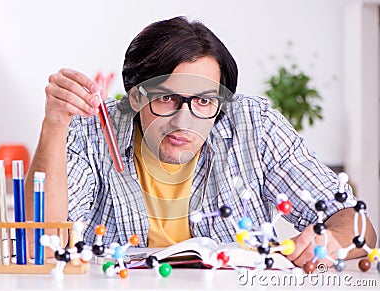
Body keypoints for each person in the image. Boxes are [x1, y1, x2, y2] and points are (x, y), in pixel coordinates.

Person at [24, 16, 376, 267]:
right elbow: (44, 245)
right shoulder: (90, 132)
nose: (183, 120)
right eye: (166, 99)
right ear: (135, 97)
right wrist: (54, 124)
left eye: (204, 101)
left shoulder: (255, 126)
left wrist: (330, 241)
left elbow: (356, 224)